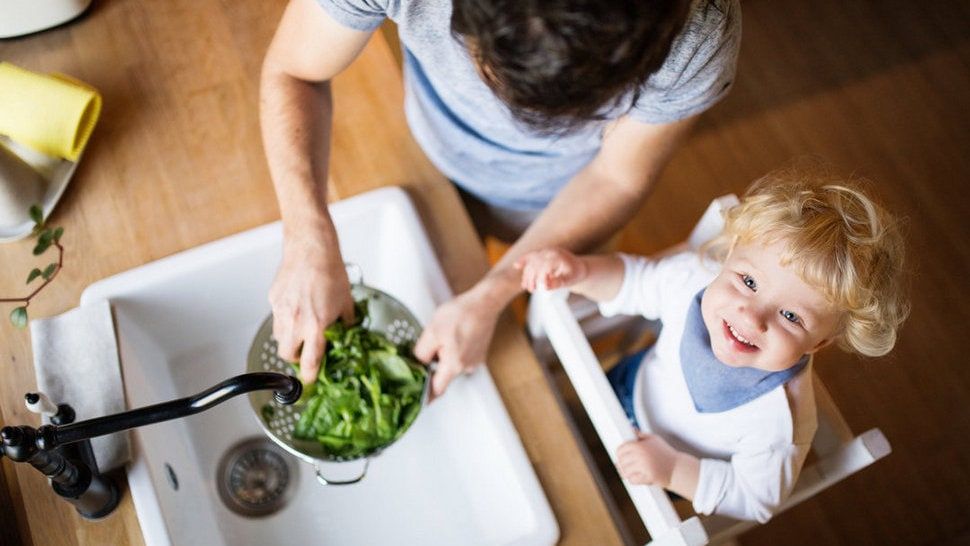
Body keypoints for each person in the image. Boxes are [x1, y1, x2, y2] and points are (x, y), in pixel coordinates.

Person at [259, 0, 741, 394]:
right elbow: (294, 71)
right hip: (427, 152)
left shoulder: (696, 35)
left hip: (562, 202)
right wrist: (307, 235)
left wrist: (491, 296)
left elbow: (616, 178)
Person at [515, 171, 909, 522]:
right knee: (542, 442)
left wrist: (672, 470)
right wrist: (580, 271)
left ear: (819, 343)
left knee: (585, 504)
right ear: (730, 256)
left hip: (668, 464)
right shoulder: (694, 280)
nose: (751, 317)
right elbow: (635, 281)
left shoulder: (778, 422)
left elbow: (757, 500)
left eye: (792, 317)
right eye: (749, 282)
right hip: (624, 386)